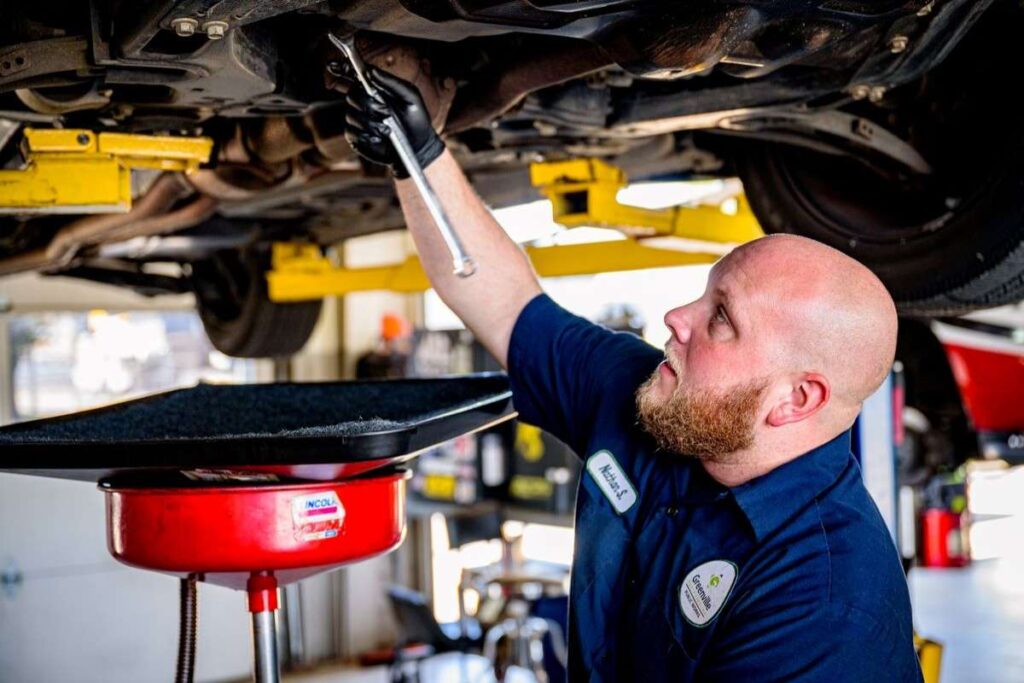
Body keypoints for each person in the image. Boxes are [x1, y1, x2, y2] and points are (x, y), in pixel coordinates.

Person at [344, 69, 922, 682]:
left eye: (721, 318)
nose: (676, 318)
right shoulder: (652, 392)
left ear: (795, 400)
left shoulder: (825, 606)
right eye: (703, 296)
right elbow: (505, 302)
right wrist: (416, 154)